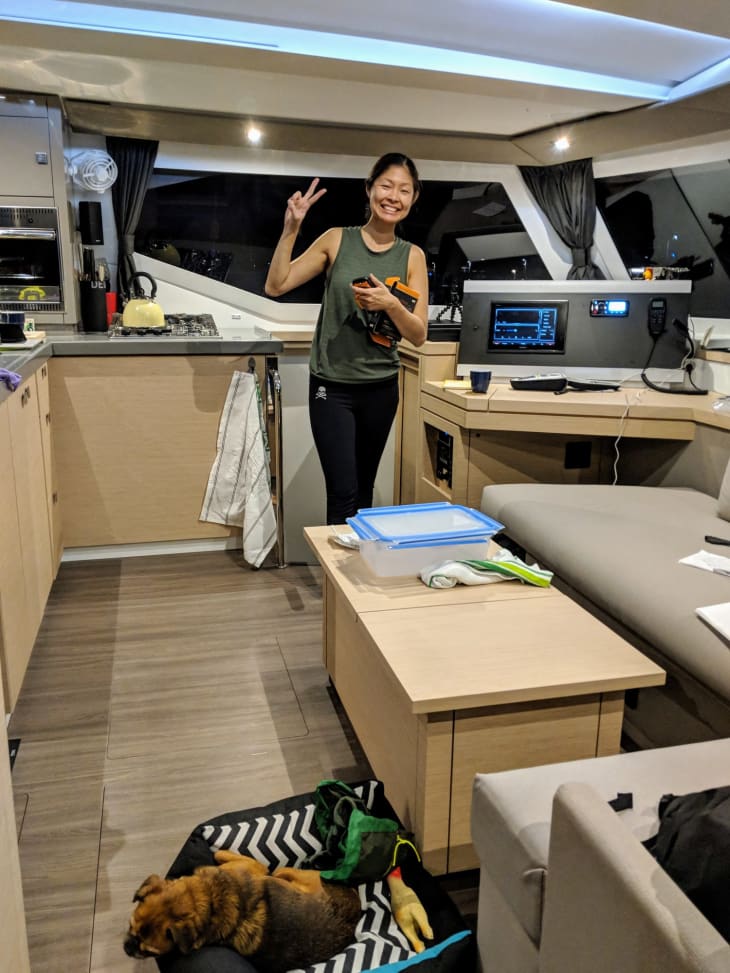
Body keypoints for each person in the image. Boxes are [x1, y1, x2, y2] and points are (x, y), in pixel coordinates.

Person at [265, 153, 428, 524]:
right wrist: (291, 228)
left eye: (404, 190)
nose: (394, 196)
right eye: (386, 185)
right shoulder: (336, 240)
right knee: (342, 491)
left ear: (413, 199)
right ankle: (335, 581)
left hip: (381, 388)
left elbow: (418, 335)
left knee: (364, 488)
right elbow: (276, 285)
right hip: (331, 387)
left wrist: (391, 305)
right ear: (370, 190)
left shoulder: (412, 256)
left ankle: (360, 575)